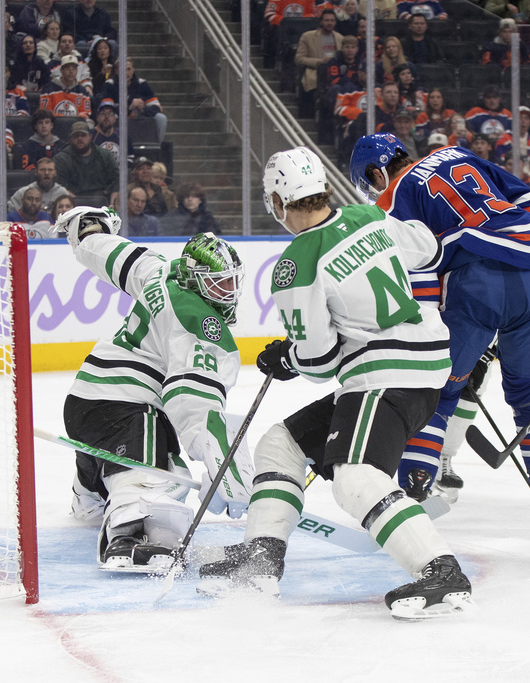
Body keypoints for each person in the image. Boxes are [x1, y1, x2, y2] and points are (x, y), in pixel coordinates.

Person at [199, 146, 472, 619]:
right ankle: (262, 558)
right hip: (425, 359)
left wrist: (291, 357)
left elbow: (322, 363)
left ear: (280, 202)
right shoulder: (368, 215)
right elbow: (426, 247)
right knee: (280, 444)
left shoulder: (295, 264)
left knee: (355, 478)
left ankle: (441, 569)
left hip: (385, 372)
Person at [350, 133, 530, 524]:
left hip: (478, 285)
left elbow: (418, 274)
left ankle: (414, 490)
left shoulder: (390, 201)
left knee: (437, 391)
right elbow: (529, 203)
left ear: (374, 172)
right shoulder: (455, 153)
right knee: (528, 389)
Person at [54, 207, 251, 571]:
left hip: (87, 403)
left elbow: (112, 253)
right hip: (123, 406)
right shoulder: (200, 323)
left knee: (165, 464)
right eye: (218, 283)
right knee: (151, 477)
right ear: (195, 278)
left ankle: (90, 493)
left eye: (232, 282)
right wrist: (224, 467)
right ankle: (124, 540)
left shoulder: (160, 269)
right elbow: (193, 402)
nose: (228, 292)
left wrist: (86, 232)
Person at [100, 59, 167, 143]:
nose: (126, 73)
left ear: (133, 70)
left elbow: (157, 107)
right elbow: (106, 108)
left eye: (128, 69)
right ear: (116, 71)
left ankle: (157, 147)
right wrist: (129, 108)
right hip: (118, 117)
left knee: (161, 118)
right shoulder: (109, 84)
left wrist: (143, 108)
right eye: (123, 70)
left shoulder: (142, 83)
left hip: (140, 116)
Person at [53, 120, 117, 205]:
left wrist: (113, 204)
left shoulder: (105, 155)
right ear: (70, 139)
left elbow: (117, 181)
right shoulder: (61, 159)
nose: (80, 139)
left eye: (83, 135)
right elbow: (59, 187)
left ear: (90, 137)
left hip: (102, 201)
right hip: (73, 203)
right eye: (76, 136)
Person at [295, 10, 343, 119]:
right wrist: (319, 62)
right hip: (315, 71)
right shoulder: (307, 36)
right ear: (321, 22)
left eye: (332, 20)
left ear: (335, 22)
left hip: (336, 73)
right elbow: (299, 58)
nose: (329, 23)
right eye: (326, 20)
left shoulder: (340, 38)